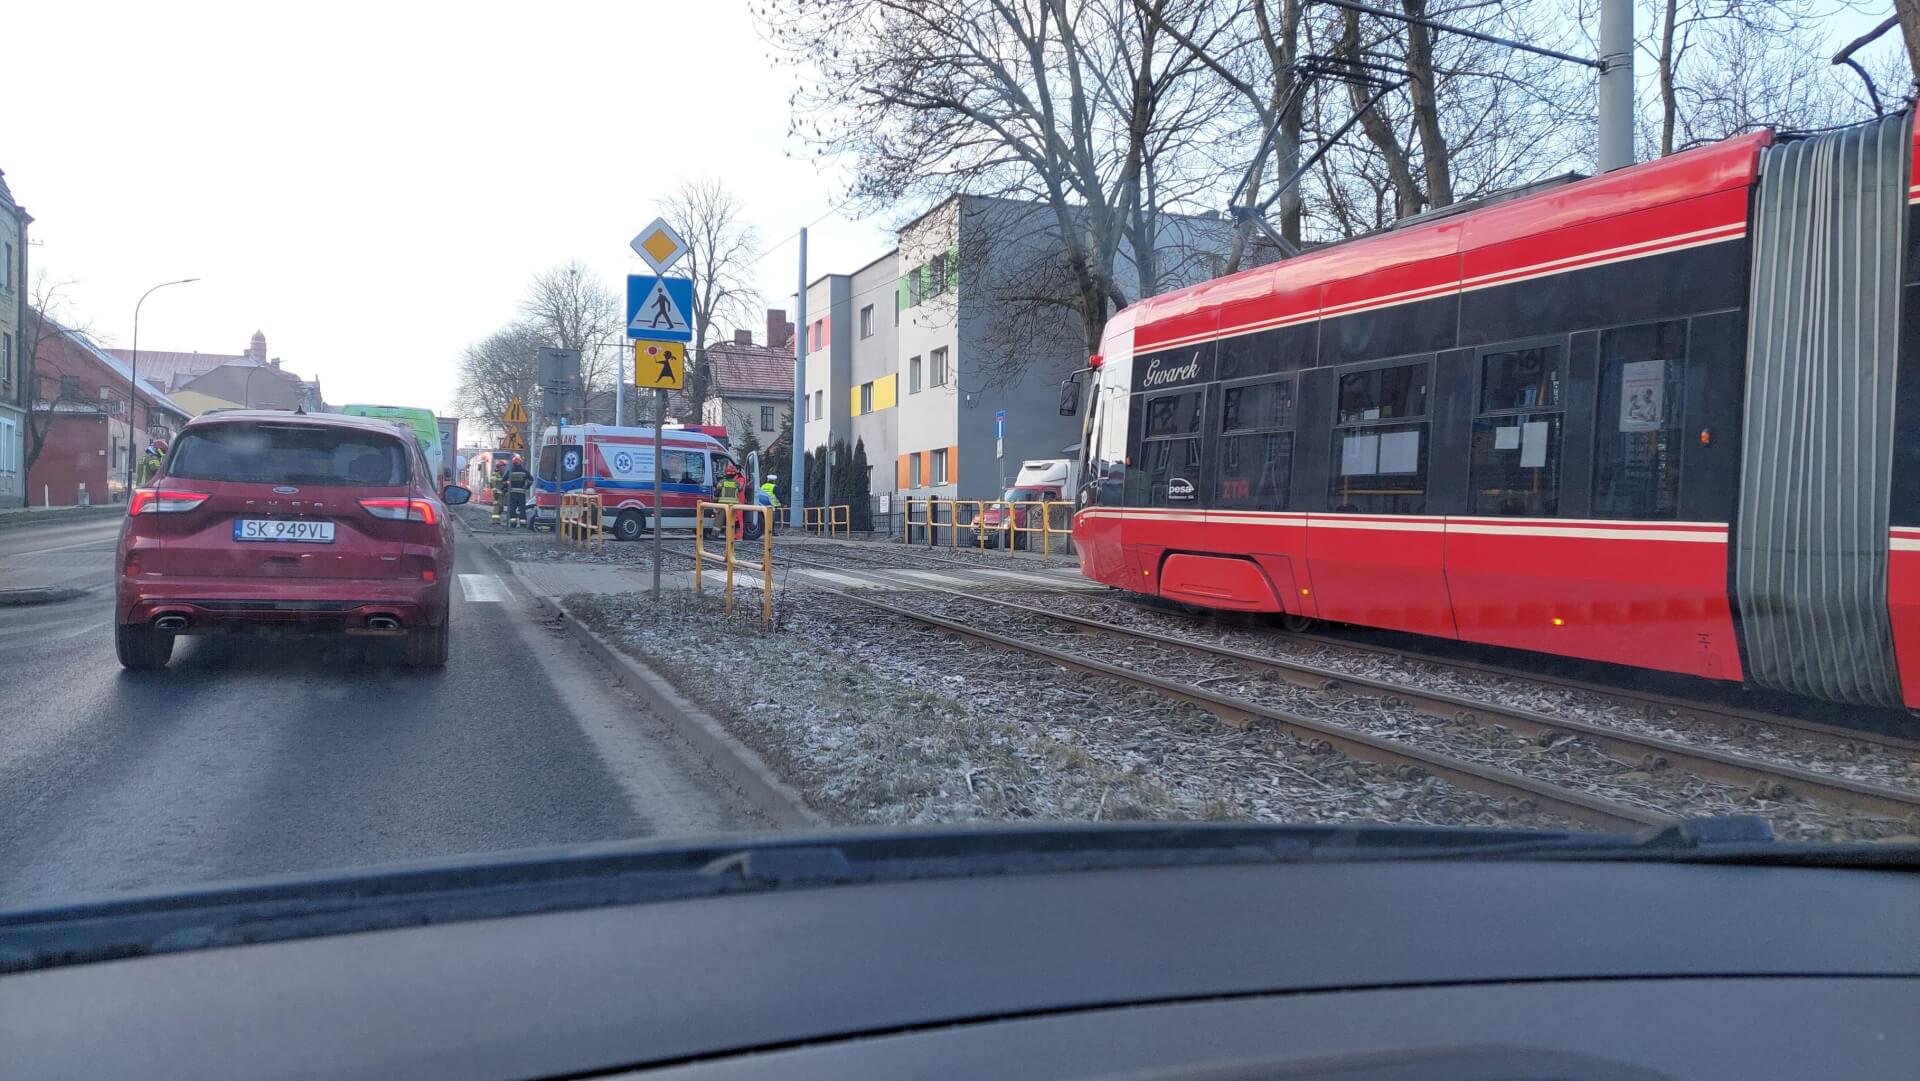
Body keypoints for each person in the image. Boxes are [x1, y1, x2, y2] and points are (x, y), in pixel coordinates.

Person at [505, 456, 531, 528]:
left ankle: (513, 524)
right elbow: (531, 480)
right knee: (522, 509)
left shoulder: (510, 471)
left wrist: (507, 488)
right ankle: (523, 524)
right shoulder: (524, 471)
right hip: (521, 493)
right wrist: (526, 487)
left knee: (512, 508)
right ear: (521, 463)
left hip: (512, 493)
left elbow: (504, 481)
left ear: (513, 463)